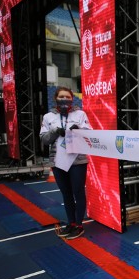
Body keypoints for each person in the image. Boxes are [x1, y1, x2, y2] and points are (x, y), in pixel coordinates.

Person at [40, 87, 91, 239]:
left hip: (77, 160)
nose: (64, 99)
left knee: (78, 191)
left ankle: (79, 225)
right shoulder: (48, 117)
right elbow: (44, 139)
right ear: (55, 98)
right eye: (61, 96)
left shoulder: (80, 114)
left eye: (67, 96)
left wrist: (79, 130)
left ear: (72, 98)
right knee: (66, 194)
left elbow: (90, 133)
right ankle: (71, 223)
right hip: (57, 160)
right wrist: (55, 131)